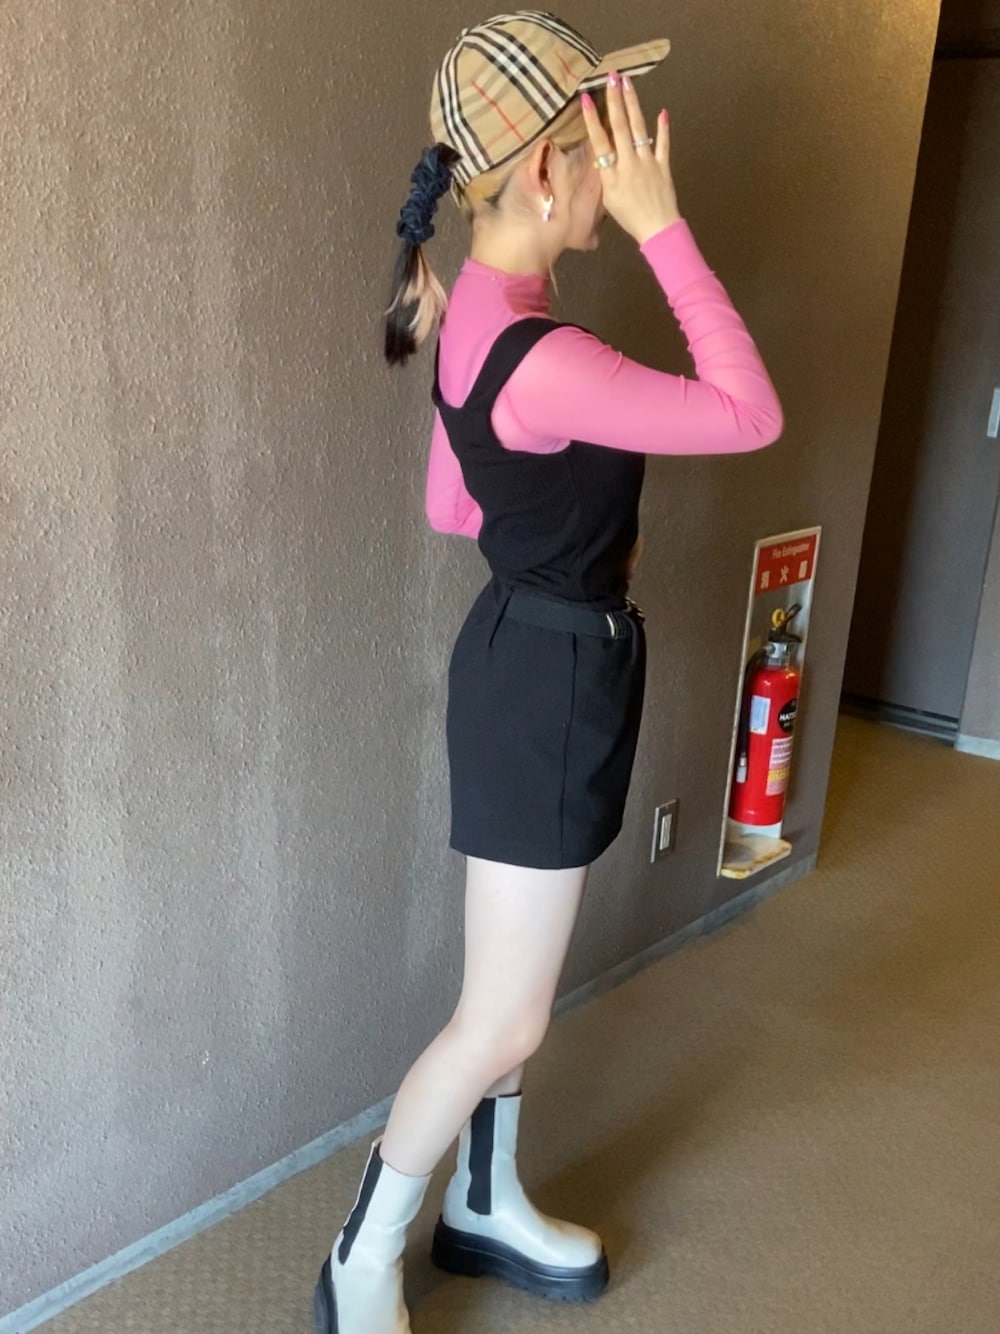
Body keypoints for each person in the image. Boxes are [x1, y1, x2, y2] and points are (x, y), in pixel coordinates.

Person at [314, 12, 784, 1333]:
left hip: (534, 659)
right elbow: (748, 412)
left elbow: (451, 505)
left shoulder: (485, 310)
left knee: (515, 996)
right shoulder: (547, 354)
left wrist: (537, 501)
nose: (622, 168)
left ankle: (484, 1200)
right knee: (502, 1020)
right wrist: (664, 230)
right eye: (602, 147)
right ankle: (363, 1256)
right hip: (546, 680)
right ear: (540, 173)